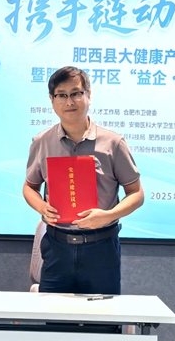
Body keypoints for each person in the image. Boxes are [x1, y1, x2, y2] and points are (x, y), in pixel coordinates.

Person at [23, 66, 144, 295]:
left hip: (101, 249)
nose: (69, 101)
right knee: (53, 315)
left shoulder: (113, 143)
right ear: (52, 100)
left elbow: (136, 193)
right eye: (61, 95)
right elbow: (30, 186)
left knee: (103, 316)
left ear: (88, 95)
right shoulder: (42, 142)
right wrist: (41, 207)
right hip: (57, 247)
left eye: (76, 93)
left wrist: (108, 215)